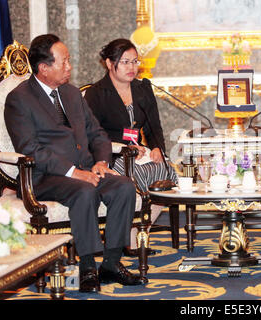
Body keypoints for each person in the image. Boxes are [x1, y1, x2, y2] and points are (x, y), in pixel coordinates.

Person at [4, 34, 146, 293]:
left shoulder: (70, 93)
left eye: (69, 60)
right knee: (84, 190)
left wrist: (102, 161)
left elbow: (97, 132)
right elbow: (29, 149)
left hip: (87, 169)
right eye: (64, 62)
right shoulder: (19, 99)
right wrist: (73, 172)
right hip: (46, 177)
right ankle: (88, 267)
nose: (70, 67)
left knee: (124, 186)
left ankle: (112, 264)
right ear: (44, 68)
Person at [84, 39, 178, 254]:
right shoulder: (96, 94)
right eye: (125, 62)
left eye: (135, 61)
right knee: (139, 173)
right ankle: (129, 237)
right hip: (110, 154)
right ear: (109, 63)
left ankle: (136, 231)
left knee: (165, 171)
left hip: (140, 150)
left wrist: (156, 148)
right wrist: (122, 148)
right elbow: (92, 135)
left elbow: (155, 126)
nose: (132, 68)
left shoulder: (142, 88)